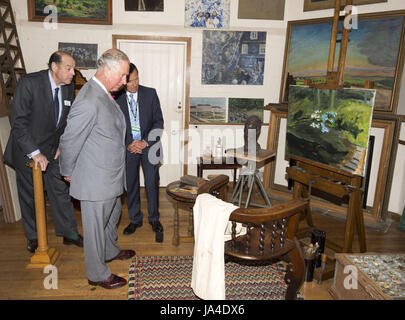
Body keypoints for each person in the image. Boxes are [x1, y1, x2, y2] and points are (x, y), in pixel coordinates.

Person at [59, 49, 135, 290]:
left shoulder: (104, 93)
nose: (125, 81)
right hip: (96, 178)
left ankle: (110, 250)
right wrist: (68, 171)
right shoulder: (90, 98)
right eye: (122, 76)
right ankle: (97, 273)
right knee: (94, 229)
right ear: (108, 70)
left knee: (111, 218)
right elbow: (70, 139)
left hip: (110, 175)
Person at [3, 51, 83, 253]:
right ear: (54, 67)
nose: (73, 73)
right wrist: (35, 152)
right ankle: (33, 237)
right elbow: (19, 123)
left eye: (73, 68)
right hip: (27, 150)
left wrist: (60, 145)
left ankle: (69, 233)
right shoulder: (29, 84)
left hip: (52, 149)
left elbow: (64, 120)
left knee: (60, 190)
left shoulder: (68, 87)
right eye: (69, 68)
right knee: (30, 195)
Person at [115, 63, 164, 242]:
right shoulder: (115, 98)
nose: (134, 84)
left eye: (136, 79)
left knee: (152, 183)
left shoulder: (150, 94)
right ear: (122, 80)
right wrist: (128, 143)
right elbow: (114, 126)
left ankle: (154, 219)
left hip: (150, 145)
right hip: (128, 148)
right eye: (130, 81)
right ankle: (135, 219)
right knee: (131, 184)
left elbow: (159, 122)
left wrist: (145, 142)